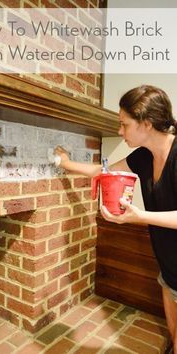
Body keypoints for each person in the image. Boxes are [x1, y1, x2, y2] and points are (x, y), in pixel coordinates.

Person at [54, 85, 177, 353]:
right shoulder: (143, 157)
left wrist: (138, 217)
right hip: (169, 266)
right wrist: (65, 163)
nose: (120, 131)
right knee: (173, 336)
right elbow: (102, 170)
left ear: (146, 123)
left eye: (124, 124)